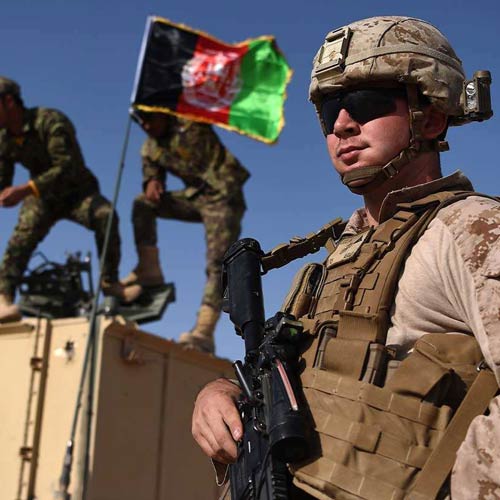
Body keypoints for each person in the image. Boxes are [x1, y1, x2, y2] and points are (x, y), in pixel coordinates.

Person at [191, 16, 500, 499]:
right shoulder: (340, 253)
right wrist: (221, 393)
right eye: (329, 108)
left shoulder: (470, 230)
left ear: (433, 116)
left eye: (366, 102)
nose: (341, 124)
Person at [0, 77, 140, 323]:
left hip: (77, 193)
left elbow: (67, 166)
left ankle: (110, 284)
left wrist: (25, 189)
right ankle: (3, 296)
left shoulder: (50, 121)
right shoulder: (4, 138)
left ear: (9, 102)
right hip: (43, 198)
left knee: (105, 216)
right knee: (20, 239)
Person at [123, 111, 249, 354]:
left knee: (217, 262)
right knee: (142, 204)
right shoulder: (150, 148)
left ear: (163, 113)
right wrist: (151, 181)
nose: (146, 126)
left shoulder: (190, 122)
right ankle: (150, 270)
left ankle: (204, 331)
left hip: (224, 196)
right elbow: (152, 173)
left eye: (150, 119)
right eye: (141, 122)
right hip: (196, 198)